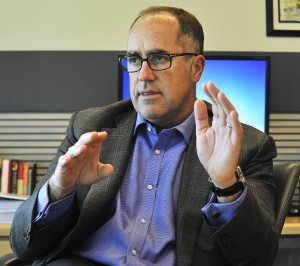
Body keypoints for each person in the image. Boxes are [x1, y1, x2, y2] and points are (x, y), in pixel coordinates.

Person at [10, 6, 278, 266]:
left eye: (160, 58)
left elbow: (257, 257)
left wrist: (226, 186)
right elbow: (24, 246)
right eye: (135, 59)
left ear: (196, 68)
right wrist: (58, 191)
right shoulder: (89, 127)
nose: (143, 75)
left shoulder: (248, 147)